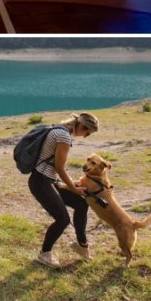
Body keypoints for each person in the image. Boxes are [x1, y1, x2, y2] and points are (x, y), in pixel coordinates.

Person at [27, 113, 100, 268]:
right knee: (62, 219)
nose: (85, 136)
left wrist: (68, 184)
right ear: (83, 127)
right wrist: (74, 188)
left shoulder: (60, 129)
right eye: (88, 133)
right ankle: (44, 254)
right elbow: (59, 168)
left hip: (48, 180)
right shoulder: (64, 137)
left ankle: (82, 244)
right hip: (41, 182)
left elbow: (54, 166)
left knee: (81, 205)